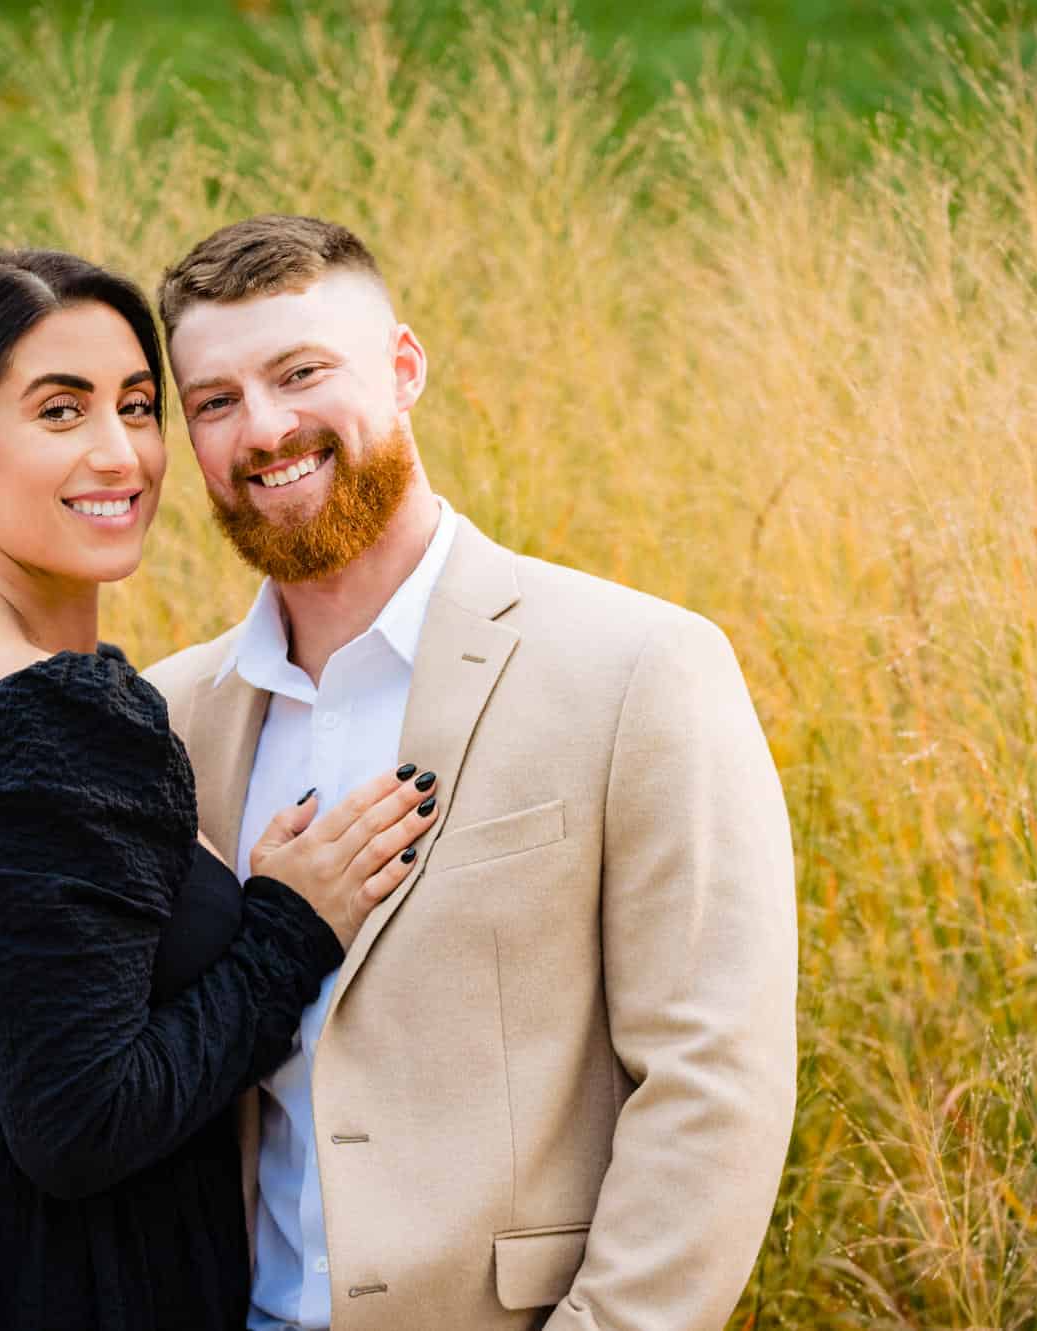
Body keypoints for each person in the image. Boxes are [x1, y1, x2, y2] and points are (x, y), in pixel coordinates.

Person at [141, 215, 798, 1331]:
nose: (265, 427)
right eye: (214, 399)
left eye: (301, 372)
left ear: (402, 370)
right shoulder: (163, 719)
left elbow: (711, 1080)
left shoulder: (635, 666)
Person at [0, 249, 438, 1331]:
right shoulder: (44, 718)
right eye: (60, 411)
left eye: (139, 406)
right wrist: (290, 927)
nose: (122, 454)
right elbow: (79, 1120)